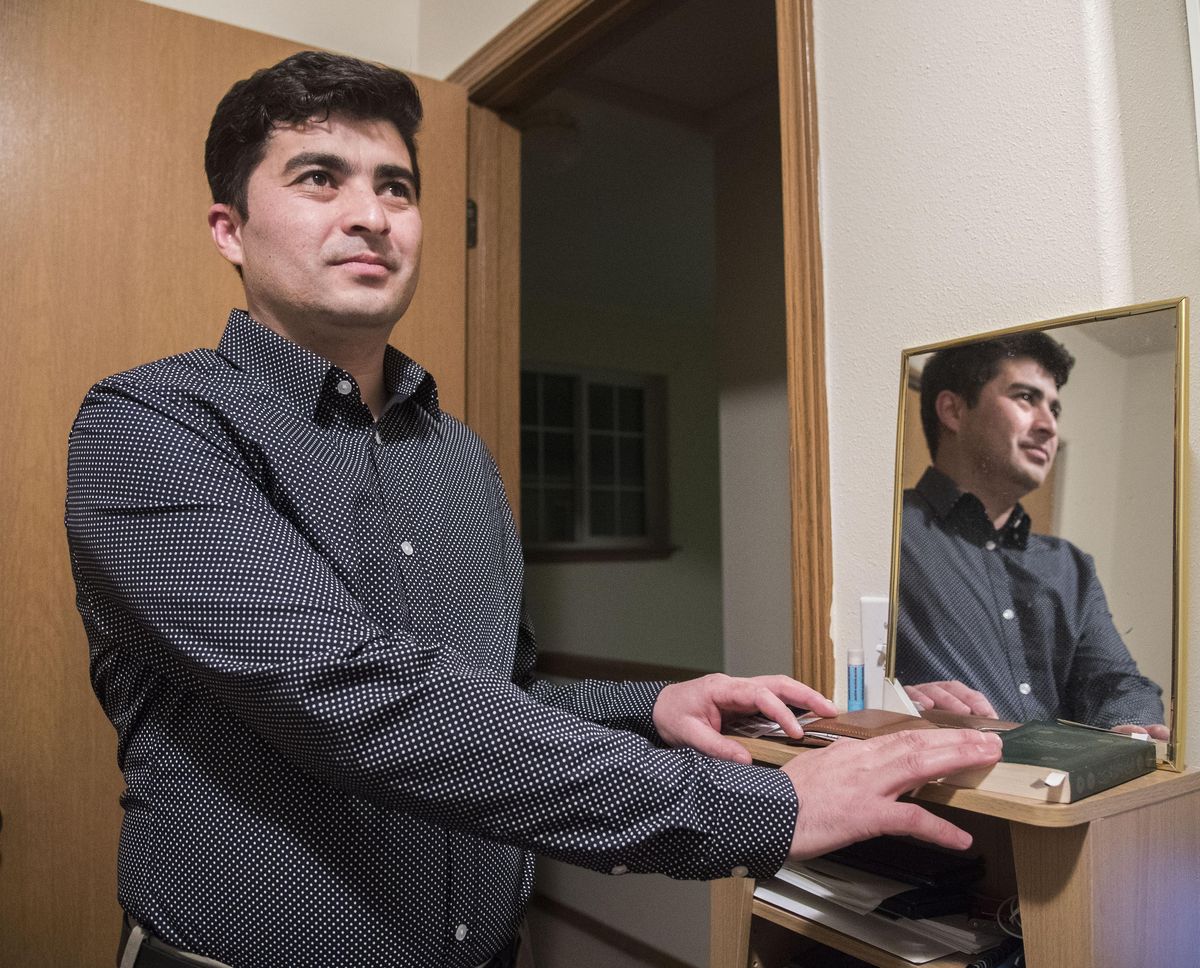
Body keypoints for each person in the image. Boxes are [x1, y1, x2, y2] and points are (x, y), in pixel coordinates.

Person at [65, 51, 1001, 968]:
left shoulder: (460, 457)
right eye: (320, 178)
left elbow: (498, 695)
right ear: (229, 229)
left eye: (397, 187)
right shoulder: (152, 426)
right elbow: (352, 696)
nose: (372, 216)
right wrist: (767, 810)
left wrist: (652, 706)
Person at [895, 331, 1167, 737]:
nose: (1049, 426)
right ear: (953, 411)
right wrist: (895, 702)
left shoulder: (1070, 567)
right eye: (1025, 397)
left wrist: (1127, 728)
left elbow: (1116, 682)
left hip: (1052, 796)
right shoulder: (886, 531)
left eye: (1054, 409)